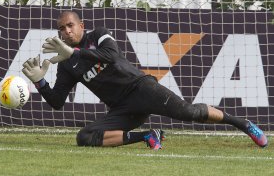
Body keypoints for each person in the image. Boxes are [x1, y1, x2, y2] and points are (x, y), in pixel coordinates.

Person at [22, 11, 268, 150]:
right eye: (62, 29)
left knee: (187, 111)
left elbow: (112, 55)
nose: (66, 31)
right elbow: (57, 102)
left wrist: (74, 52)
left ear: (81, 26)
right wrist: (40, 82)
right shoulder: (66, 64)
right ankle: (148, 136)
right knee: (84, 138)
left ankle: (243, 124)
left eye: (70, 26)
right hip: (122, 108)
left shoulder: (98, 34)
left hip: (141, 88)